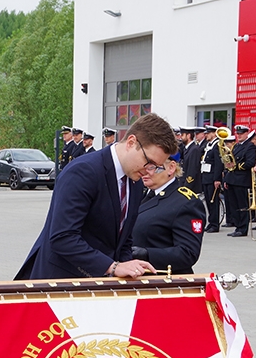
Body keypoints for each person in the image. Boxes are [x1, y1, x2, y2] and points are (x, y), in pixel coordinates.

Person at [15, 113, 178, 281]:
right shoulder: (83, 171)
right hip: (62, 283)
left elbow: (124, 238)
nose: (149, 171)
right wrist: (113, 267)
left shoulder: (134, 180)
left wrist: (129, 267)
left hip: (101, 286)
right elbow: (63, 237)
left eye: (156, 167)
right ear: (131, 143)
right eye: (148, 162)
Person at [131, 154, 205, 274]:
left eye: (151, 167)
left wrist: (146, 254)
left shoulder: (185, 203)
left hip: (163, 281)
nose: (144, 172)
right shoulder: (141, 194)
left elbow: (188, 253)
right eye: (142, 166)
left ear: (171, 168)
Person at [225, 125, 256, 237]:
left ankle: (243, 228)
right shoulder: (236, 146)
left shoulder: (250, 146)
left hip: (241, 180)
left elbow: (250, 162)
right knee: (234, 205)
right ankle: (237, 226)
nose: (239, 135)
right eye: (238, 133)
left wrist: (235, 166)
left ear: (247, 133)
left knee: (242, 205)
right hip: (232, 179)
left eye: (242, 133)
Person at [200, 126, 224, 232]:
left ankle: (215, 224)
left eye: (208, 133)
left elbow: (218, 164)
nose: (206, 135)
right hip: (206, 176)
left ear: (214, 133)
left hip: (212, 178)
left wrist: (217, 179)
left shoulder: (217, 145)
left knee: (213, 201)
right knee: (209, 202)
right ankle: (211, 222)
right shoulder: (208, 145)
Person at [181, 127, 203, 193]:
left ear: (188, 136)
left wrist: (187, 186)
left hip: (191, 187)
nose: (181, 137)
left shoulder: (194, 149)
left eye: (182, 135)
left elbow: (192, 169)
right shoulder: (187, 149)